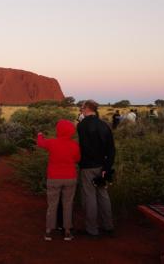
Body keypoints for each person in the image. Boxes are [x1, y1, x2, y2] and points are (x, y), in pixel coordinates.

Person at [37, 120, 80, 241]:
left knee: (52, 205)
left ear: (58, 130)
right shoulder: (74, 145)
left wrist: (40, 134)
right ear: (71, 131)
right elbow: (77, 159)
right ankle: (67, 231)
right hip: (70, 178)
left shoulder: (52, 142)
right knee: (68, 204)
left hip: (54, 178)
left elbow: (40, 143)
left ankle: (48, 231)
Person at [77, 100, 115, 237]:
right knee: (103, 195)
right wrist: (107, 166)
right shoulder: (104, 125)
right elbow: (111, 149)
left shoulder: (81, 126)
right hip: (102, 166)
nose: (81, 110)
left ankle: (92, 229)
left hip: (87, 166)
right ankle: (108, 225)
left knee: (90, 196)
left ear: (87, 108)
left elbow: (81, 146)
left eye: (82, 108)